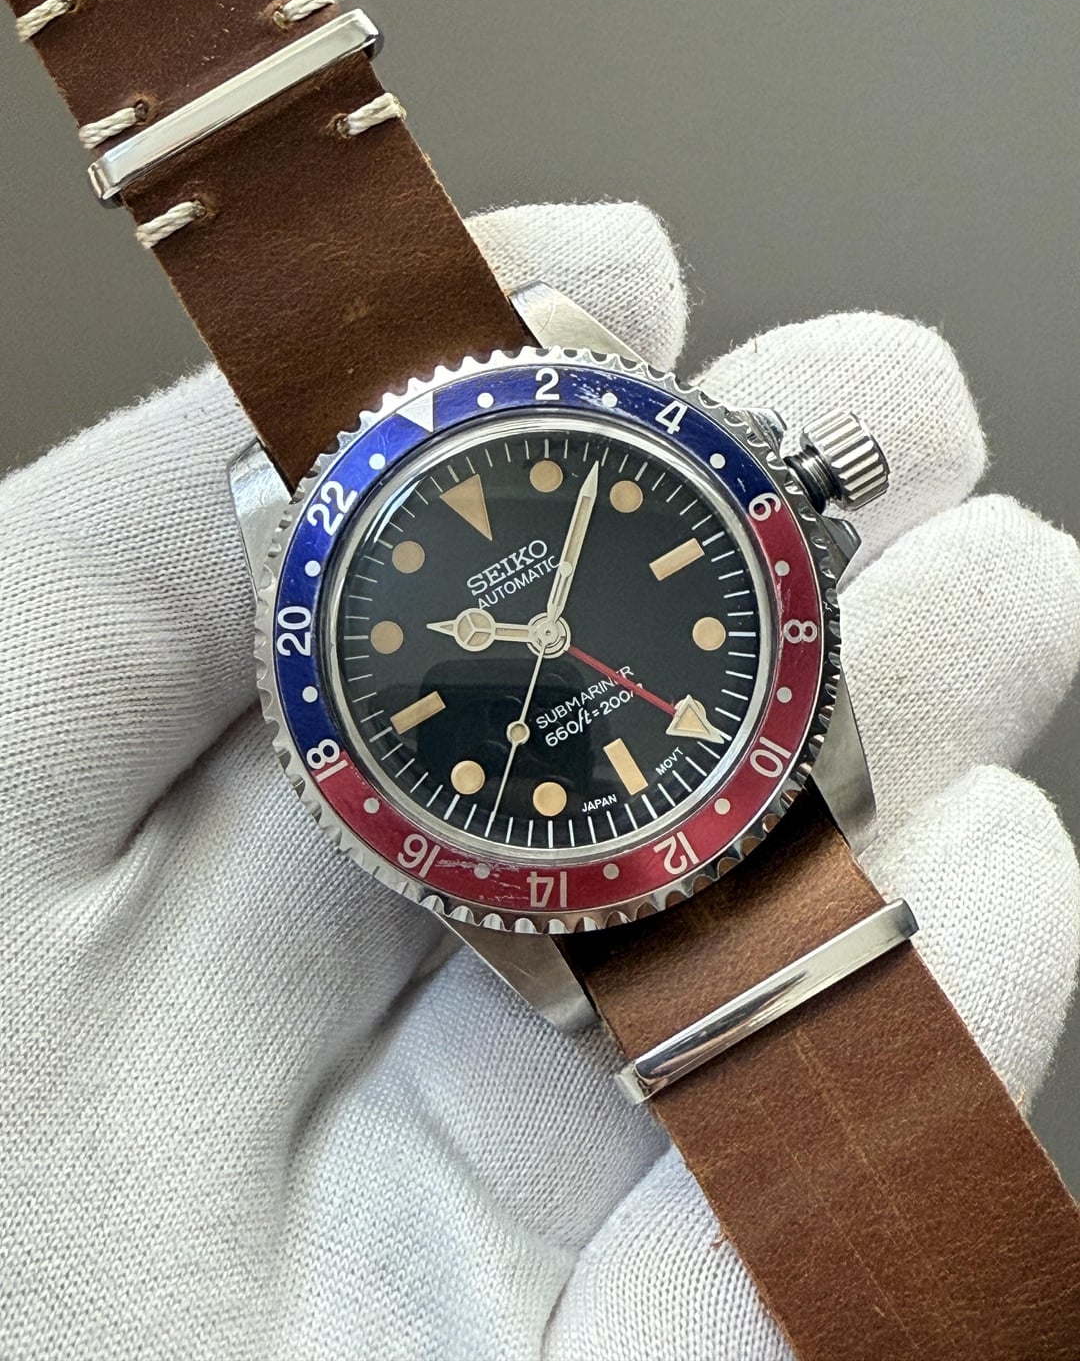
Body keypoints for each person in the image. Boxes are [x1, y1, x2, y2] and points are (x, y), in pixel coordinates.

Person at [1, 200, 1077, 1360]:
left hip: (705, 810)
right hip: (595, 869)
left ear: (795, 495)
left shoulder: (544, 391)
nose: (552, 639)